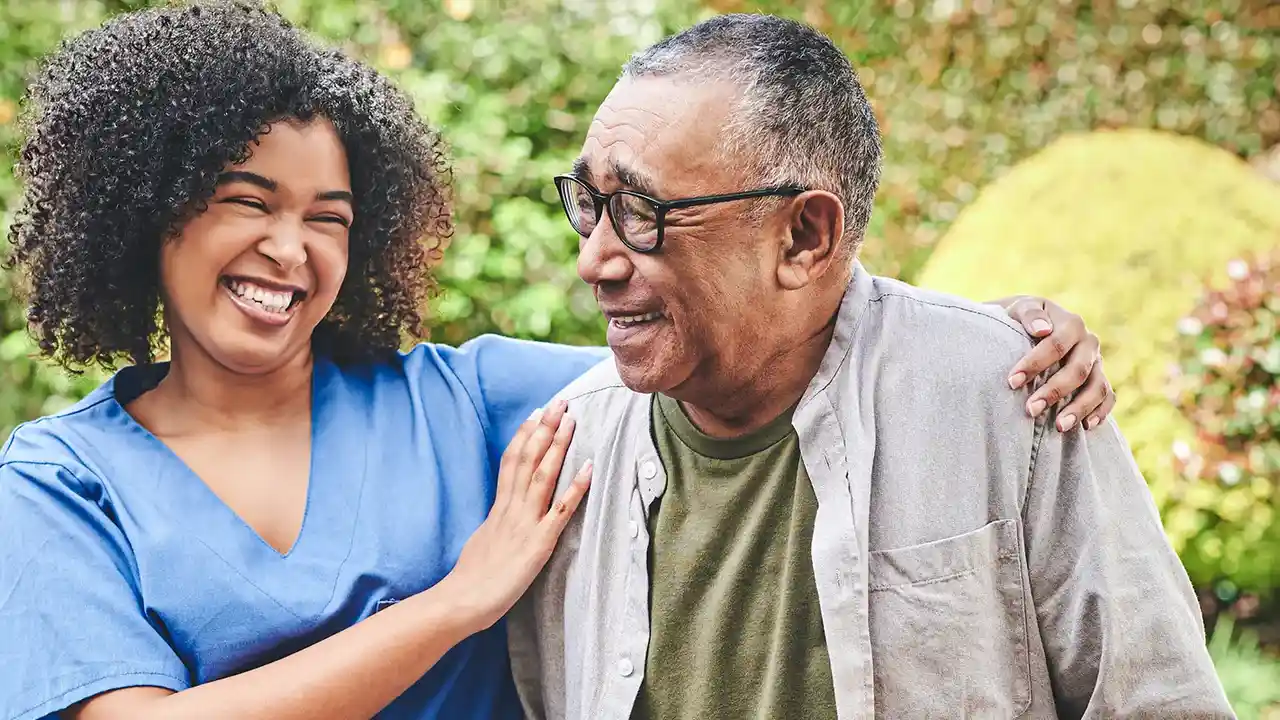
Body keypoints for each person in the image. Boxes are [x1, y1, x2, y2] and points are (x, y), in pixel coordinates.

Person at [0, 3, 1112, 719]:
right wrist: (453, 605)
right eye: (248, 203)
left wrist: (992, 333)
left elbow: (739, 336)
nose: (290, 250)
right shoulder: (59, 482)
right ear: (147, 215)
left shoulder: (469, 400)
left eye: (329, 217)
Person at [507, 13, 1233, 720]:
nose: (593, 259)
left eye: (640, 211)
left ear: (804, 237)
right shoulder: (568, 454)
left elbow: (1160, 702)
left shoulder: (1015, 397)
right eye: (592, 204)